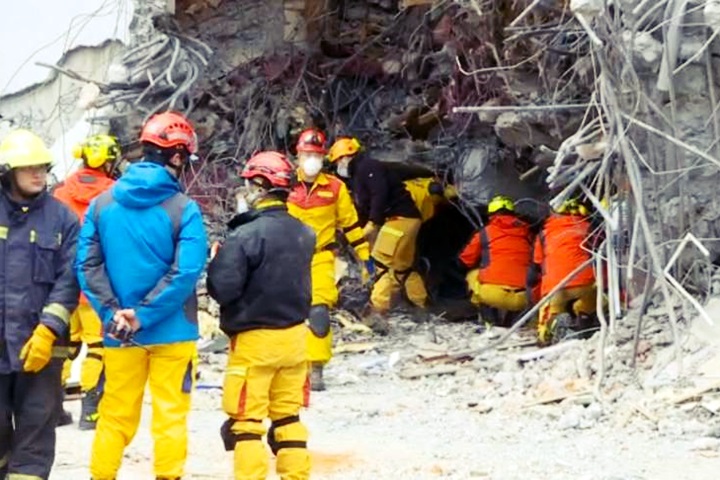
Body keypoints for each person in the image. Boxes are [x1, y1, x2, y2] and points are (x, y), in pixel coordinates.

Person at [75, 111, 208, 480]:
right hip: (173, 333)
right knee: (170, 417)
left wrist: (114, 313)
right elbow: (186, 271)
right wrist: (145, 315)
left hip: (119, 333)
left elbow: (86, 266)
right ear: (177, 156)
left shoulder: (101, 205)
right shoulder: (184, 209)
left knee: (115, 415)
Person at [208, 151, 314, 480]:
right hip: (296, 340)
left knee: (248, 423)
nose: (245, 192)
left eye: (248, 185)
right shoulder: (304, 232)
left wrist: (217, 261)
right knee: (288, 419)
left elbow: (222, 288)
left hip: (255, 343)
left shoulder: (245, 236)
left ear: (259, 185)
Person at [0, 129, 80, 479]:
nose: (38, 174)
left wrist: (49, 329)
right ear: (7, 172)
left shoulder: (62, 219)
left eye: (42, 168)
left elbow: (70, 279)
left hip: (42, 352)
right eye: (28, 167)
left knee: (35, 438)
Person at [287, 128, 371, 391]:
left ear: (323, 158)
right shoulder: (284, 184)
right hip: (285, 258)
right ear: (297, 155)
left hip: (320, 257)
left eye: (316, 154)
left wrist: (365, 257)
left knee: (319, 312)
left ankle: (316, 367)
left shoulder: (336, 188)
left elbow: (350, 225)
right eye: (306, 153)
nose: (311, 158)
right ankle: (286, 367)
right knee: (285, 313)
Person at [54, 134, 120, 430]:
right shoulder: (115, 194)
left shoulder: (59, 192)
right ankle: (90, 410)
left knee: (63, 345)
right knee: (97, 346)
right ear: (107, 160)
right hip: (95, 283)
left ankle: (52, 406)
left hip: (62, 283)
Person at [327, 136, 426, 320]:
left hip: (398, 220)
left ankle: (377, 310)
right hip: (406, 220)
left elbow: (378, 194)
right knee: (402, 267)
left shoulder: (368, 167)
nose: (337, 166)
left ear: (346, 156)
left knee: (379, 263)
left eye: (337, 161)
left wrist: (372, 222)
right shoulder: (358, 176)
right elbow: (363, 205)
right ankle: (420, 304)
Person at [459, 195, 533, 326]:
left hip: (493, 295)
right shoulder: (527, 233)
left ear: (491, 214)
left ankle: (489, 321)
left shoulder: (486, 232)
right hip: (523, 297)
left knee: (472, 276)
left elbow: (466, 260)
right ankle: (512, 322)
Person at [531, 198, 597, 344]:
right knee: (593, 298)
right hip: (585, 283)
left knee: (544, 332)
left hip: (555, 287)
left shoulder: (544, 233)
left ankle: (552, 325)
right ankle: (584, 319)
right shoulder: (589, 228)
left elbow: (536, 266)